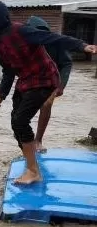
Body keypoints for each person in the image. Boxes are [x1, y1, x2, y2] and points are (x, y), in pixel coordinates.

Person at [0, 1, 97, 185]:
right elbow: (9, 71)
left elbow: (54, 39)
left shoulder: (22, 31)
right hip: (26, 81)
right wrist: (0, 96)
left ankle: (33, 171)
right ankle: (31, 162)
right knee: (15, 121)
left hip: (44, 78)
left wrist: (81, 45)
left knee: (20, 121)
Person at [22, 16, 73, 151]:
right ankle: (24, 139)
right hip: (31, 79)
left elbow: (67, 63)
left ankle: (38, 141)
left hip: (51, 79)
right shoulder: (25, 42)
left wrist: (61, 86)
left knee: (46, 104)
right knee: (21, 111)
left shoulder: (54, 42)